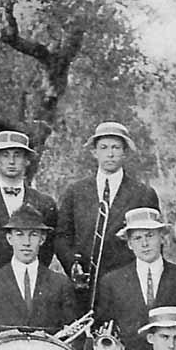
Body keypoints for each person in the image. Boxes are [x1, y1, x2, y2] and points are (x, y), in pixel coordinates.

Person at [55, 121, 159, 304]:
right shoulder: (76, 191)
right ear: (94, 152)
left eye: (116, 147)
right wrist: (73, 266)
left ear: (125, 152)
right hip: (83, 287)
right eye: (103, 147)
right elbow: (62, 236)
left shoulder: (142, 194)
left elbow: (153, 242)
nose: (110, 154)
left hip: (126, 287)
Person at [95, 207, 176, 350]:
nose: (144, 244)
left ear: (162, 238)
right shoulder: (111, 281)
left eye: (150, 236)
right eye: (137, 238)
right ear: (129, 244)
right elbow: (106, 328)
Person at [0, 207, 78, 339]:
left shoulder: (61, 284)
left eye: (33, 235)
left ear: (42, 239)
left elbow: (72, 339)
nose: (26, 242)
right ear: (9, 238)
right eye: (19, 234)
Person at [0, 130, 58, 275]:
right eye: (5, 155)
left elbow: (48, 249)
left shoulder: (45, 203)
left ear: (27, 161)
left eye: (17, 155)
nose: (11, 161)